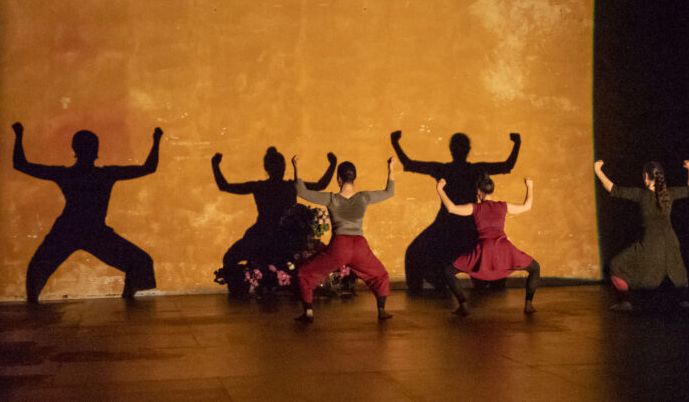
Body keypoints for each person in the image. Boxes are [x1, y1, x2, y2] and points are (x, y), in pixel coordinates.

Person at [12, 122, 162, 303]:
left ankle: (32, 302)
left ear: (75, 149)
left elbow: (21, 165)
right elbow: (148, 168)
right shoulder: (105, 174)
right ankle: (129, 294)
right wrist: (156, 141)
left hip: (72, 231)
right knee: (141, 261)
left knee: (37, 268)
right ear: (96, 149)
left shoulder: (67, 174)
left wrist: (19, 136)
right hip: (88, 232)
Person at [390, 130, 521, 292]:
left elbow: (409, 164)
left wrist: (395, 142)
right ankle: (485, 282)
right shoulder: (475, 169)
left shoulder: (443, 169)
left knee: (413, 253)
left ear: (452, 150)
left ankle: (426, 287)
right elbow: (508, 165)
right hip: (469, 226)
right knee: (482, 251)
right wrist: (517, 144)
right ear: (468, 150)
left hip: (446, 225)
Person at [211, 148, 336, 297]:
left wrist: (215, 165)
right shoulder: (290, 186)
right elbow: (321, 185)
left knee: (230, 258)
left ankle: (242, 288)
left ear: (266, 168)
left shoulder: (260, 186)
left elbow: (224, 186)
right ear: (283, 168)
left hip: (263, 235)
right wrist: (332, 164)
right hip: (288, 237)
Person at [292, 155, 396, 323]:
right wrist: (391, 168)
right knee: (380, 274)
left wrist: (296, 167)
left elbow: (302, 192)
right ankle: (382, 310)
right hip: (360, 245)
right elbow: (389, 192)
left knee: (306, 272)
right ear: (354, 178)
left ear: (339, 179)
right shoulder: (363, 197)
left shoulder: (332, 199)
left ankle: (309, 312)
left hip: (340, 245)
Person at [594, 159, 689, 311]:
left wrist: (598, 171)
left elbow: (612, 189)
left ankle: (625, 302)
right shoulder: (669, 194)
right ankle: (683, 300)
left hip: (649, 244)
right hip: (670, 243)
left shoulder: (641, 195)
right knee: (677, 269)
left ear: (646, 177)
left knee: (616, 266)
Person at [436, 174, 539, 316]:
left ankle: (463, 306)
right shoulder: (502, 206)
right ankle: (528, 305)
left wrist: (439, 189)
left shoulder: (475, 208)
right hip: (504, 249)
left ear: (479, 192)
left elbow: (452, 208)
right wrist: (530, 186)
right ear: (491, 191)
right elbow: (527, 206)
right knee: (535, 268)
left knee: (449, 271)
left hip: (484, 249)